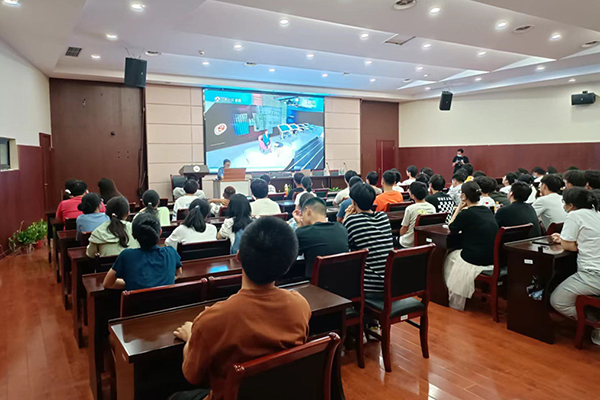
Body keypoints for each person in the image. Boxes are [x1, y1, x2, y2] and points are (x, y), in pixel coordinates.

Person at [172, 218, 311, 400]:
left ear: (238, 256)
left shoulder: (212, 320)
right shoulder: (300, 306)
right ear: (288, 265)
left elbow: (192, 376)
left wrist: (191, 336)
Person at [550, 188, 600, 345]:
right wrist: (567, 240)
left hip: (593, 275)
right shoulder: (597, 214)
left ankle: (595, 323)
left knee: (557, 300)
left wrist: (565, 241)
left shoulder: (574, 215)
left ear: (570, 205)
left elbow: (569, 246)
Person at [444, 181, 498, 310]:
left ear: (463, 196)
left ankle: (447, 293)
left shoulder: (466, 213)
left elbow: (451, 227)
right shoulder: (487, 210)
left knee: (448, 257)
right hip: (492, 257)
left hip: (475, 258)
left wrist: (458, 208)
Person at [103, 213, 182, 291]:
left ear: (133, 235)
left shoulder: (126, 256)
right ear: (160, 232)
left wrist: (130, 283)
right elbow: (178, 274)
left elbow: (107, 283)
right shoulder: (171, 252)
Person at [344, 183, 393, 293]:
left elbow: (343, 243)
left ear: (354, 202)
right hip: (390, 281)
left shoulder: (352, 221)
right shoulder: (383, 217)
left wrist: (346, 217)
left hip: (369, 285)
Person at [295, 197, 349, 277]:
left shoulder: (303, 232)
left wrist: (299, 225)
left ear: (307, 210)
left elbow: (291, 254)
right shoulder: (341, 228)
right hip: (344, 280)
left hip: (316, 284)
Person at [399, 182, 436, 248]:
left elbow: (404, 229)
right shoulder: (432, 208)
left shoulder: (410, 209)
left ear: (412, 195)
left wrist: (400, 234)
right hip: (424, 241)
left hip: (408, 243)